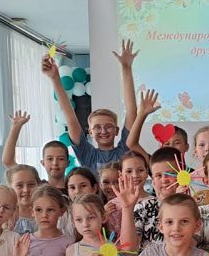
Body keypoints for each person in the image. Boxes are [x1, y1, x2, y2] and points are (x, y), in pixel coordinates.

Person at [42, 39, 138, 174]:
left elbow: (132, 112)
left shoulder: (124, 150)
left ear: (117, 130)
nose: (103, 131)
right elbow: (71, 119)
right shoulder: (87, 154)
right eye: (97, 127)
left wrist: (126, 68)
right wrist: (55, 78)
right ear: (90, 132)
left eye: (108, 126)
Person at [1, 110, 70, 192]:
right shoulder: (37, 186)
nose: (55, 163)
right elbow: (8, 161)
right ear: (43, 163)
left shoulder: (74, 187)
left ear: (68, 163)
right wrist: (15, 128)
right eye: (50, 159)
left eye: (61, 159)